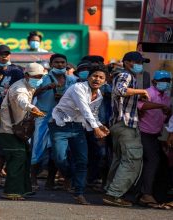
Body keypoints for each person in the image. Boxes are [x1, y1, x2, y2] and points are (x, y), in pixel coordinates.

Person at [49, 65, 110, 205]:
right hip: (59, 125)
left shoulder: (99, 95)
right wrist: (96, 128)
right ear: (88, 77)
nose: (97, 79)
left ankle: (79, 193)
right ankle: (70, 176)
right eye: (95, 76)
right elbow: (85, 109)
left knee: (82, 161)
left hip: (78, 128)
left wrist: (100, 125)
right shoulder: (78, 88)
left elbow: (93, 114)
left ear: (105, 81)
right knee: (59, 159)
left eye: (101, 77)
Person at [103, 51, 150, 207]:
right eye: (138, 62)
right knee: (132, 160)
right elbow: (121, 90)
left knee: (119, 159)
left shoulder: (128, 76)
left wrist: (138, 96)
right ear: (128, 62)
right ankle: (114, 194)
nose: (140, 65)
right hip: (126, 124)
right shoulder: (126, 75)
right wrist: (142, 91)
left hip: (120, 124)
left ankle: (110, 190)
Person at [0, 63, 45, 200]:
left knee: (25, 155)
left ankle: (23, 189)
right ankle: (11, 191)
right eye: (37, 77)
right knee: (17, 157)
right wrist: (33, 108)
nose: (39, 79)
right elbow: (22, 101)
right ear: (27, 76)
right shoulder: (19, 88)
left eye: (41, 76)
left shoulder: (29, 85)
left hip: (16, 126)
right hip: (6, 127)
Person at [31, 54, 77, 191]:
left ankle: (51, 180)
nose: (60, 65)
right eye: (56, 62)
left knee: (58, 151)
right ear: (51, 64)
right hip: (43, 117)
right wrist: (45, 88)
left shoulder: (72, 80)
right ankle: (32, 179)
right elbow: (30, 94)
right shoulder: (42, 79)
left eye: (63, 62)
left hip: (63, 119)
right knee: (37, 149)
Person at [0, 44, 24, 188]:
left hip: (6, 113)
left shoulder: (16, 71)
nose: (4, 56)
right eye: (1, 53)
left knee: (0, 146)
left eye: (7, 53)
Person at [136, 70, 171, 209]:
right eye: (163, 80)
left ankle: (154, 192)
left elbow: (165, 117)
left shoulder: (166, 97)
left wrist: (167, 112)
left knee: (161, 163)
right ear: (154, 82)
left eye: (168, 80)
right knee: (153, 161)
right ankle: (146, 193)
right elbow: (140, 106)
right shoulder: (147, 92)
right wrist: (161, 106)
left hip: (155, 135)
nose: (166, 83)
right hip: (143, 133)